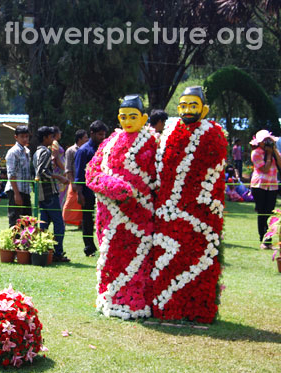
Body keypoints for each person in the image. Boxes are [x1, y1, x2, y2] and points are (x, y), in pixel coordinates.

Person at [152, 86, 227, 323]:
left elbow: (215, 170)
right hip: (168, 211)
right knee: (168, 262)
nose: (187, 110)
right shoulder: (170, 130)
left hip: (199, 213)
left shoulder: (213, 133)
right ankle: (167, 307)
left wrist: (203, 199)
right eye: (183, 105)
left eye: (192, 105)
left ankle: (198, 309)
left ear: (204, 109)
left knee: (199, 259)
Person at [86, 94, 157, 319]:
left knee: (138, 256)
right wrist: (114, 187)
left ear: (144, 117)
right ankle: (109, 299)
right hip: (110, 214)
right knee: (111, 257)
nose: (127, 121)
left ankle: (135, 302)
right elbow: (92, 172)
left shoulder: (153, 142)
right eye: (123, 116)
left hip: (139, 214)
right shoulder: (109, 142)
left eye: (133, 116)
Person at [33, 126, 70, 263]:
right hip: (48, 193)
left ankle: (42, 250)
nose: (53, 139)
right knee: (59, 224)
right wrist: (59, 177)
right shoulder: (45, 152)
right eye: (51, 137)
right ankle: (57, 253)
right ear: (45, 138)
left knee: (44, 224)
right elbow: (42, 172)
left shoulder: (37, 152)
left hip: (41, 194)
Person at [74, 120, 107, 257]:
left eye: (104, 134)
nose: (102, 137)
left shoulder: (104, 148)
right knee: (87, 220)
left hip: (103, 190)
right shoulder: (83, 151)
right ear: (92, 133)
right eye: (100, 134)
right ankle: (89, 248)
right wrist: (79, 193)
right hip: (87, 191)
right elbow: (78, 173)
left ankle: (104, 246)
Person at [250, 130, 281, 249]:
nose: (266, 142)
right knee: (262, 212)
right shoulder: (255, 153)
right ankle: (263, 239)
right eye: (264, 140)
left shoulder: (274, 152)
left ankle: (268, 239)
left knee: (270, 212)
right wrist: (268, 155)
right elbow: (265, 169)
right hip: (259, 186)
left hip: (272, 186)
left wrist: (274, 151)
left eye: (268, 140)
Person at [5, 125, 32, 227]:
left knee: (28, 221)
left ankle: (25, 243)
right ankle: (14, 242)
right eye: (22, 137)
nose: (25, 139)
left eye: (27, 136)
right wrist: (16, 194)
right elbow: (11, 175)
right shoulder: (13, 152)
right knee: (15, 221)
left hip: (25, 190)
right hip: (15, 190)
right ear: (16, 137)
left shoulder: (27, 151)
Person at [62, 129, 88, 228]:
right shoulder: (71, 150)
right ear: (80, 139)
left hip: (84, 181)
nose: (87, 139)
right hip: (74, 181)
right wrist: (72, 182)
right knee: (70, 202)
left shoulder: (86, 149)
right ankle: (63, 221)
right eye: (85, 137)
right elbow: (68, 168)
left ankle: (81, 223)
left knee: (83, 203)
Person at [50, 126, 67, 205]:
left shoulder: (53, 142)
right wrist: (65, 169)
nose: (60, 134)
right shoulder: (55, 143)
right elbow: (56, 158)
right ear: (56, 133)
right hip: (59, 172)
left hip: (59, 171)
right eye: (59, 132)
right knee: (61, 194)